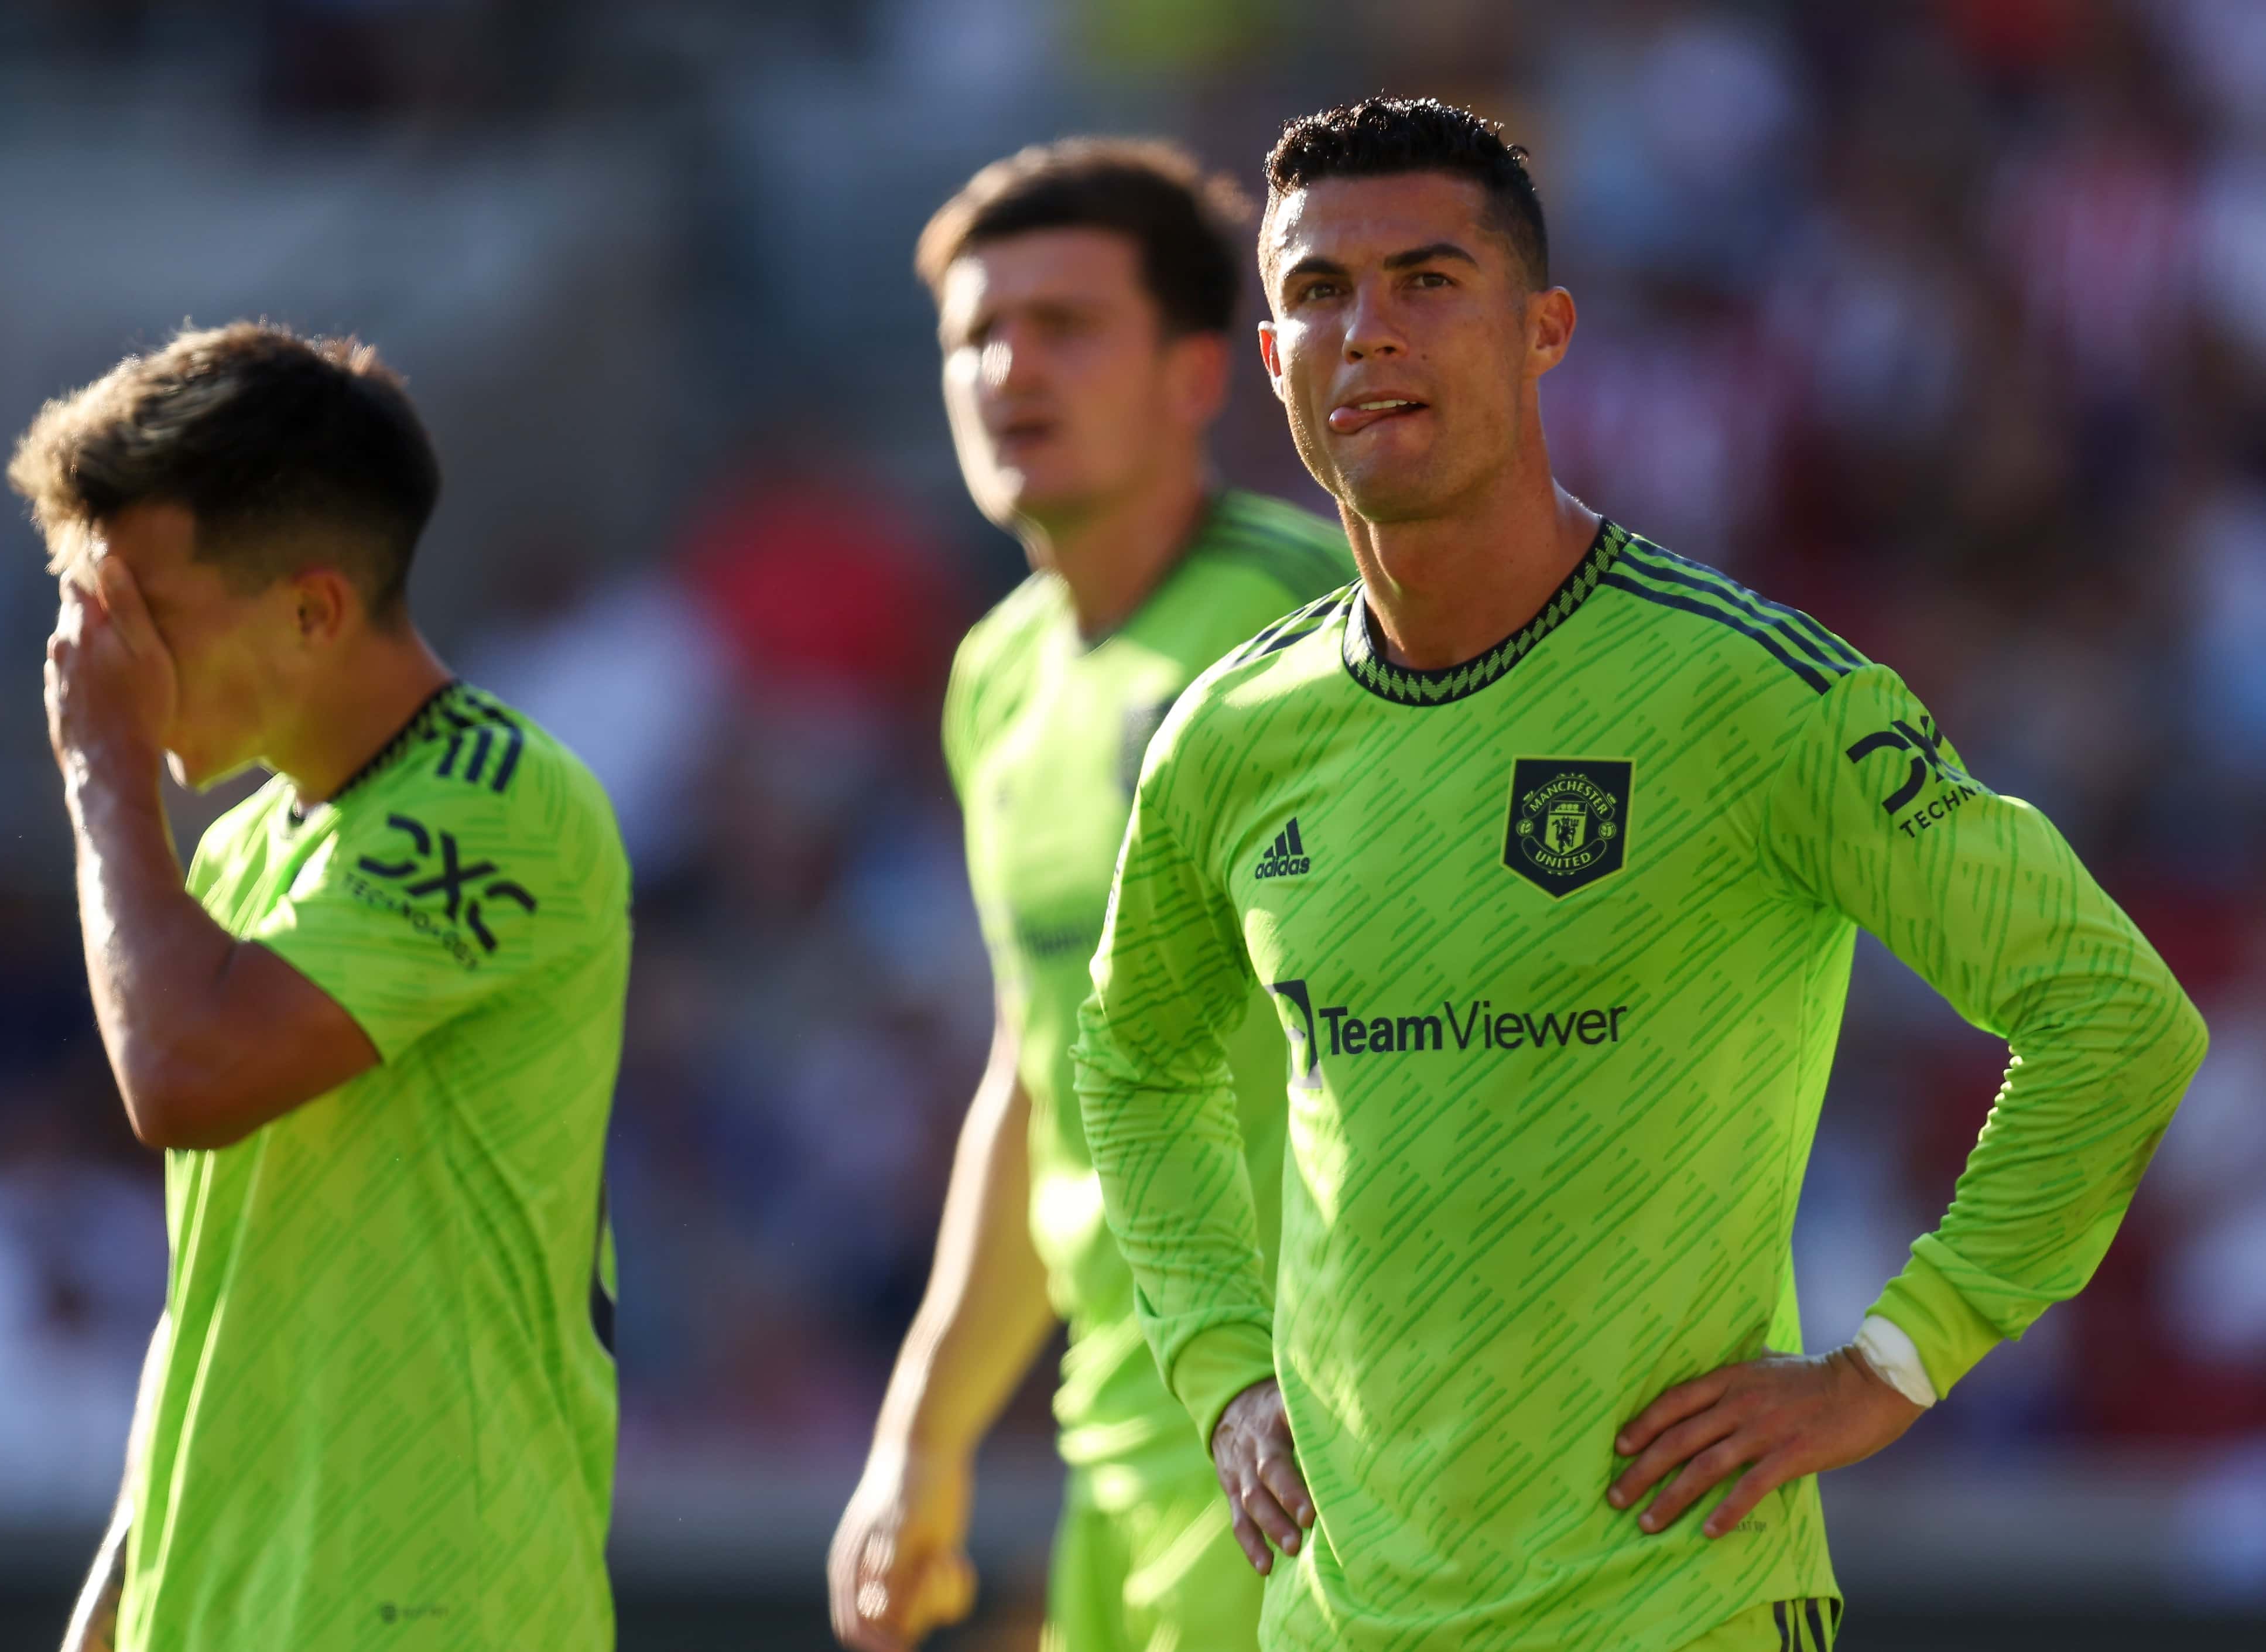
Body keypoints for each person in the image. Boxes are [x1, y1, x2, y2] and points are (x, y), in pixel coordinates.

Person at [1072, 98, 2209, 1652]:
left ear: (1543, 330)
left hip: (1675, 1605)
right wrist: (1219, 1368)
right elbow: (1131, 1060)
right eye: (1317, 294)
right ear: (1269, 358)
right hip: (1338, 1616)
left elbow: (2110, 1012)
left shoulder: (1737, 693)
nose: (1367, 333)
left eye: (1425, 280)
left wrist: (1890, 1360)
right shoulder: (1230, 734)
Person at [13, 323, 629, 1651]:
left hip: (431, 1614)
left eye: (144, 616)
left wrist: (101, 772)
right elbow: (231, 1270)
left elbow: (182, 1078)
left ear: (312, 611)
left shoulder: (504, 798)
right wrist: (126, 1577)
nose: (98, 665)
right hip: (234, 1605)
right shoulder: (243, 850)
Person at [826, 139, 1353, 1652]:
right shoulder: (994, 679)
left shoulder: (1309, 633)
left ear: (1199, 377)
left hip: (1319, 1446)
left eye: (1064, 327)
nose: (1008, 369)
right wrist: (921, 1435)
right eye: (975, 336)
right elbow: (1036, 1068)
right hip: (1114, 1436)